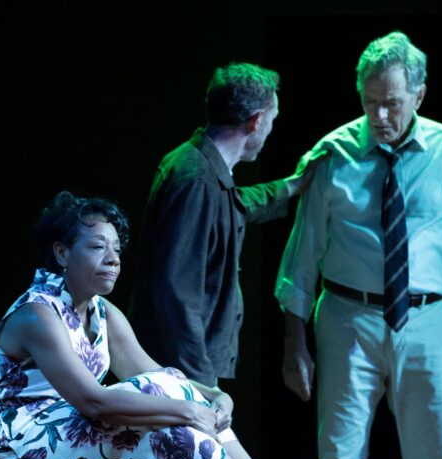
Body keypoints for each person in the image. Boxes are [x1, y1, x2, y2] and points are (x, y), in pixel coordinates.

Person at [0, 191, 330, 459]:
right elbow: (94, 402)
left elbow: (161, 376)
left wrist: (215, 396)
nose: (113, 259)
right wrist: (189, 411)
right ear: (62, 252)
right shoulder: (38, 314)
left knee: (164, 403)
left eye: (117, 249)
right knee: (162, 401)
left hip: (69, 437)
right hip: (11, 450)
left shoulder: (102, 313)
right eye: (98, 247)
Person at [276, 32, 442, 459]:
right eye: (370, 101)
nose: (379, 115)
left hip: (426, 320)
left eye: (392, 103)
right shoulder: (334, 153)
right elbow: (303, 250)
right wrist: (294, 342)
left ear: (419, 95)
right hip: (347, 318)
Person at [129, 62, 319, 389]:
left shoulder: (202, 168)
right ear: (256, 120)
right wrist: (202, 385)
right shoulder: (196, 179)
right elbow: (178, 293)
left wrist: (292, 186)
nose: (270, 130)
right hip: (176, 373)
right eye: (272, 120)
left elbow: (234, 204)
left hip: (181, 368)